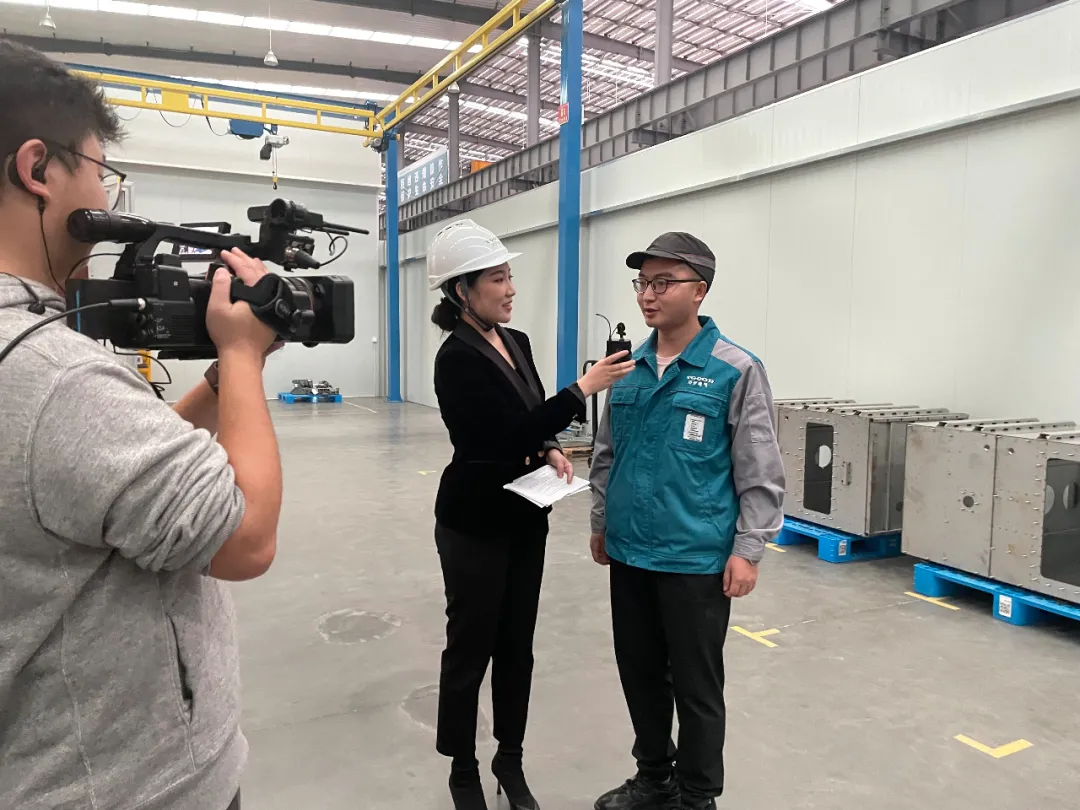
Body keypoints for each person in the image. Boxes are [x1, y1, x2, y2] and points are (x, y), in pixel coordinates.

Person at [0, 40, 283, 810]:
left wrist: (219, 384)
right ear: (38, 169)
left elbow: (101, 473)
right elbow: (245, 538)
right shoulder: (52, 373)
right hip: (131, 787)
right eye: (102, 173)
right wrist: (244, 356)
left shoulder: (45, 372)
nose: (110, 200)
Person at [428, 219, 635, 810]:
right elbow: (496, 438)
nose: (511, 288)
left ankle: (509, 758)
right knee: (471, 645)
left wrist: (548, 449)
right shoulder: (455, 359)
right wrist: (582, 388)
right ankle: (463, 768)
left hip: (524, 513)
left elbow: (529, 417)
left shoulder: (515, 341)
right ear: (462, 290)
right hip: (473, 520)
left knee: (517, 644)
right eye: (497, 279)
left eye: (509, 276)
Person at [588, 232, 786, 810]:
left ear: (699, 291)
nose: (647, 295)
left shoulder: (735, 369)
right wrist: (601, 521)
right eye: (642, 283)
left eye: (662, 283)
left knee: (697, 687)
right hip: (629, 550)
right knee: (640, 674)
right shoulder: (626, 370)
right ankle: (654, 777)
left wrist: (748, 550)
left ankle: (697, 796)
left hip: (695, 556)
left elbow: (759, 466)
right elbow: (606, 453)